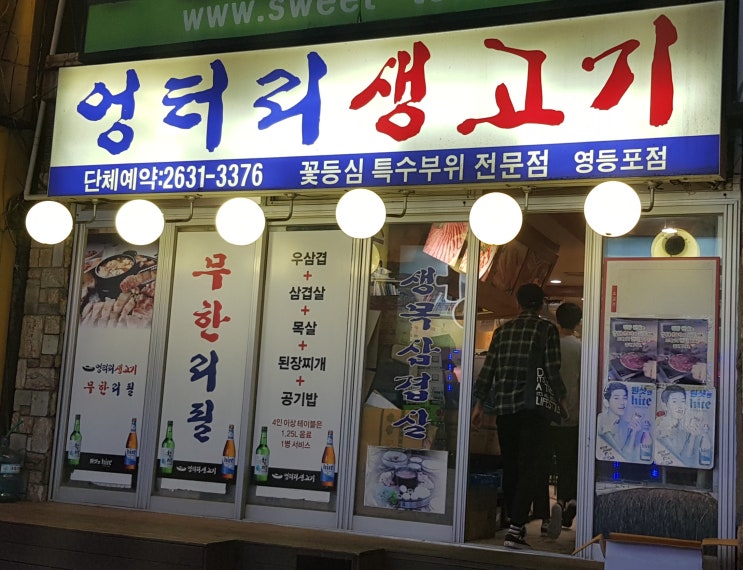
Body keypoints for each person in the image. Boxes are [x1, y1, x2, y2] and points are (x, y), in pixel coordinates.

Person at [471, 283, 568, 549]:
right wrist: (562, 400)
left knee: (511, 465)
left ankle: (515, 526)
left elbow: (489, 368)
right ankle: (515, 529)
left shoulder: (502, 331)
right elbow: (552, 369)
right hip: (532, 409)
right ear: (542, 304)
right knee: (531, 466)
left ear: (518, 303)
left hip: (505, 410)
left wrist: (479, 404)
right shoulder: (546, 329)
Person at [548, 302, 583, 537]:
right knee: (571, 461)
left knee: (553, 463)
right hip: (575, 414)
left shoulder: (550, 348)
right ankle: (570, 501)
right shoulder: (581, 348)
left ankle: (557, 502)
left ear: (557, 321)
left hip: (548, 415)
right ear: (578, 322)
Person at [597, 382, 642, 461]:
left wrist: (633, 434)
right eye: (616, 398)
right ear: (606, 403)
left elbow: (627, 456)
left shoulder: (626, 425)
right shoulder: (600, 421)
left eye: (624, 398)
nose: (622, 403)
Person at [656, 384, 702, 463]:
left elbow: (686, 458)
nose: (680, 406)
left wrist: (692, 435)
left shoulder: (686, 429)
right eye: (674, 402)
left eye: (683, 401)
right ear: (665, 405)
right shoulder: (658, 430)